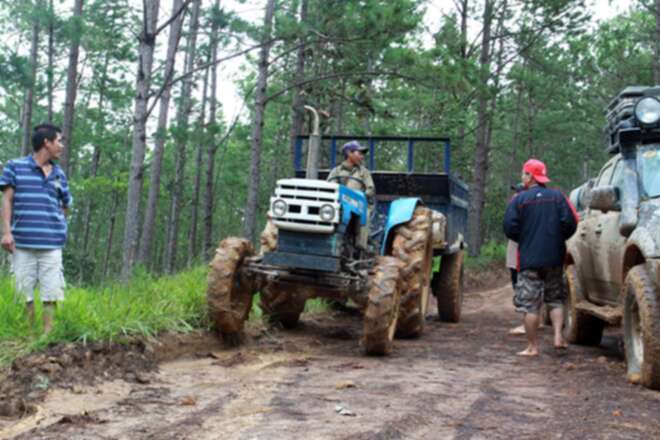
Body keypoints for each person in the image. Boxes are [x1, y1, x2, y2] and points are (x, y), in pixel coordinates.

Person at [0, 123, 72, 334]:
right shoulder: (15, 167)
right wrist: (6, 232)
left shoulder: (59, 174)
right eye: (59, 141)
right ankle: (28, 337)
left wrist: (56, 224)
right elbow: (7, 201)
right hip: (21, 244)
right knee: (24, 294)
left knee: (51, 293)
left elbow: (66, 205)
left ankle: (46, 338)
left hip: (52, 245)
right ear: (46, 143)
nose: (62, 146)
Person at [503, 159, 577, 356]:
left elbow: (509, 227)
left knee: (530, 305)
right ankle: (558, 337)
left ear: (530, 176)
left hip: (529, 259)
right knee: (555, 299)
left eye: (524, 173)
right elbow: (570, 223)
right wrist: (557, 238)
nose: (522, 177)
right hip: (554, 257)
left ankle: (532, 347)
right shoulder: (558, 197)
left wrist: (525, 239)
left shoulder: (519, 199)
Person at [327, 140, 375, 249]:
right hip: (339, 204)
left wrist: (362, 195)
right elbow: (330, 185)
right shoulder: (336, 171)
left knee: (365, 215)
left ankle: (360, 246)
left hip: (359, 204)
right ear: (349, 153)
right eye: (359, 153)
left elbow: (370, 189)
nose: (362, 157)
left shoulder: (364, 172)